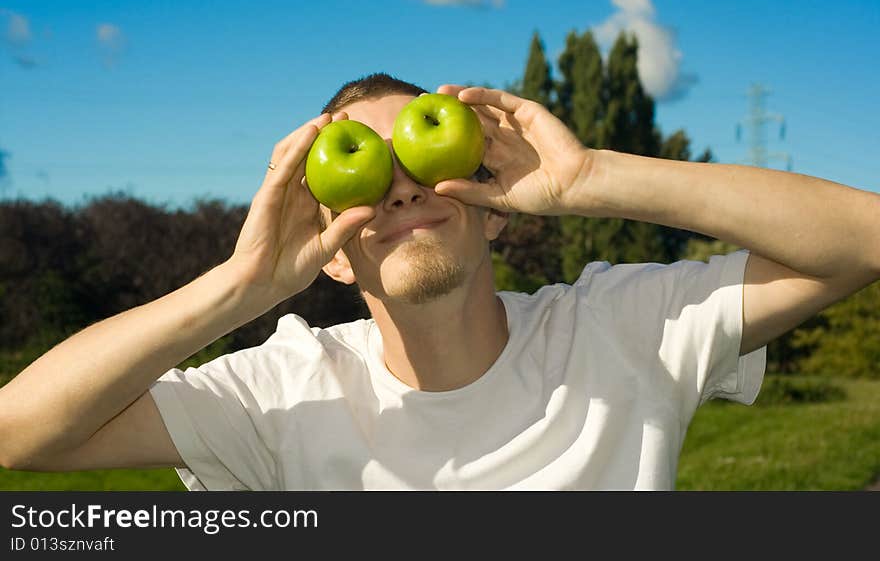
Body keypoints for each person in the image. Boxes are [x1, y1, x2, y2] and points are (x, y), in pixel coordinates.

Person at [1, 73, 878, 490]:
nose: (401, 185)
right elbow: (21, 432)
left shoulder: (620, 327)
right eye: (363, 176)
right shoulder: (279, 392)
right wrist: (240, 287)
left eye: (423, 153)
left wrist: (589, 179)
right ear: (331, 251)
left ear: (494, 209)